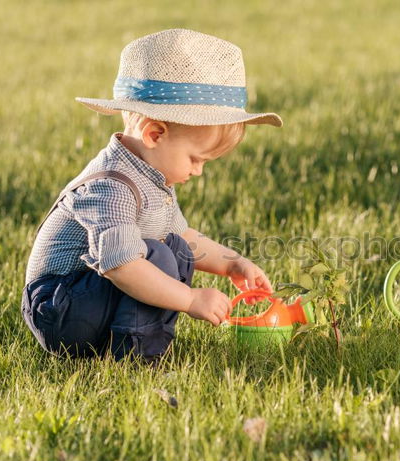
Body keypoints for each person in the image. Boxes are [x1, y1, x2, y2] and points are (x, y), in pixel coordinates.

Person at [21, 29, 282, 364]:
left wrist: (231, 263)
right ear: (154, 133)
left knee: (176, 248)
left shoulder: (151, 176)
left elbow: (186, 238)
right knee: (157, 254)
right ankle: (137, 358)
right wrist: (189, 299)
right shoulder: (111, 185)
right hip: (60, 308)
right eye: (195, 159)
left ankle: (139, 346)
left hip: (89, 296)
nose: (198, 171)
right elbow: (122, 266)